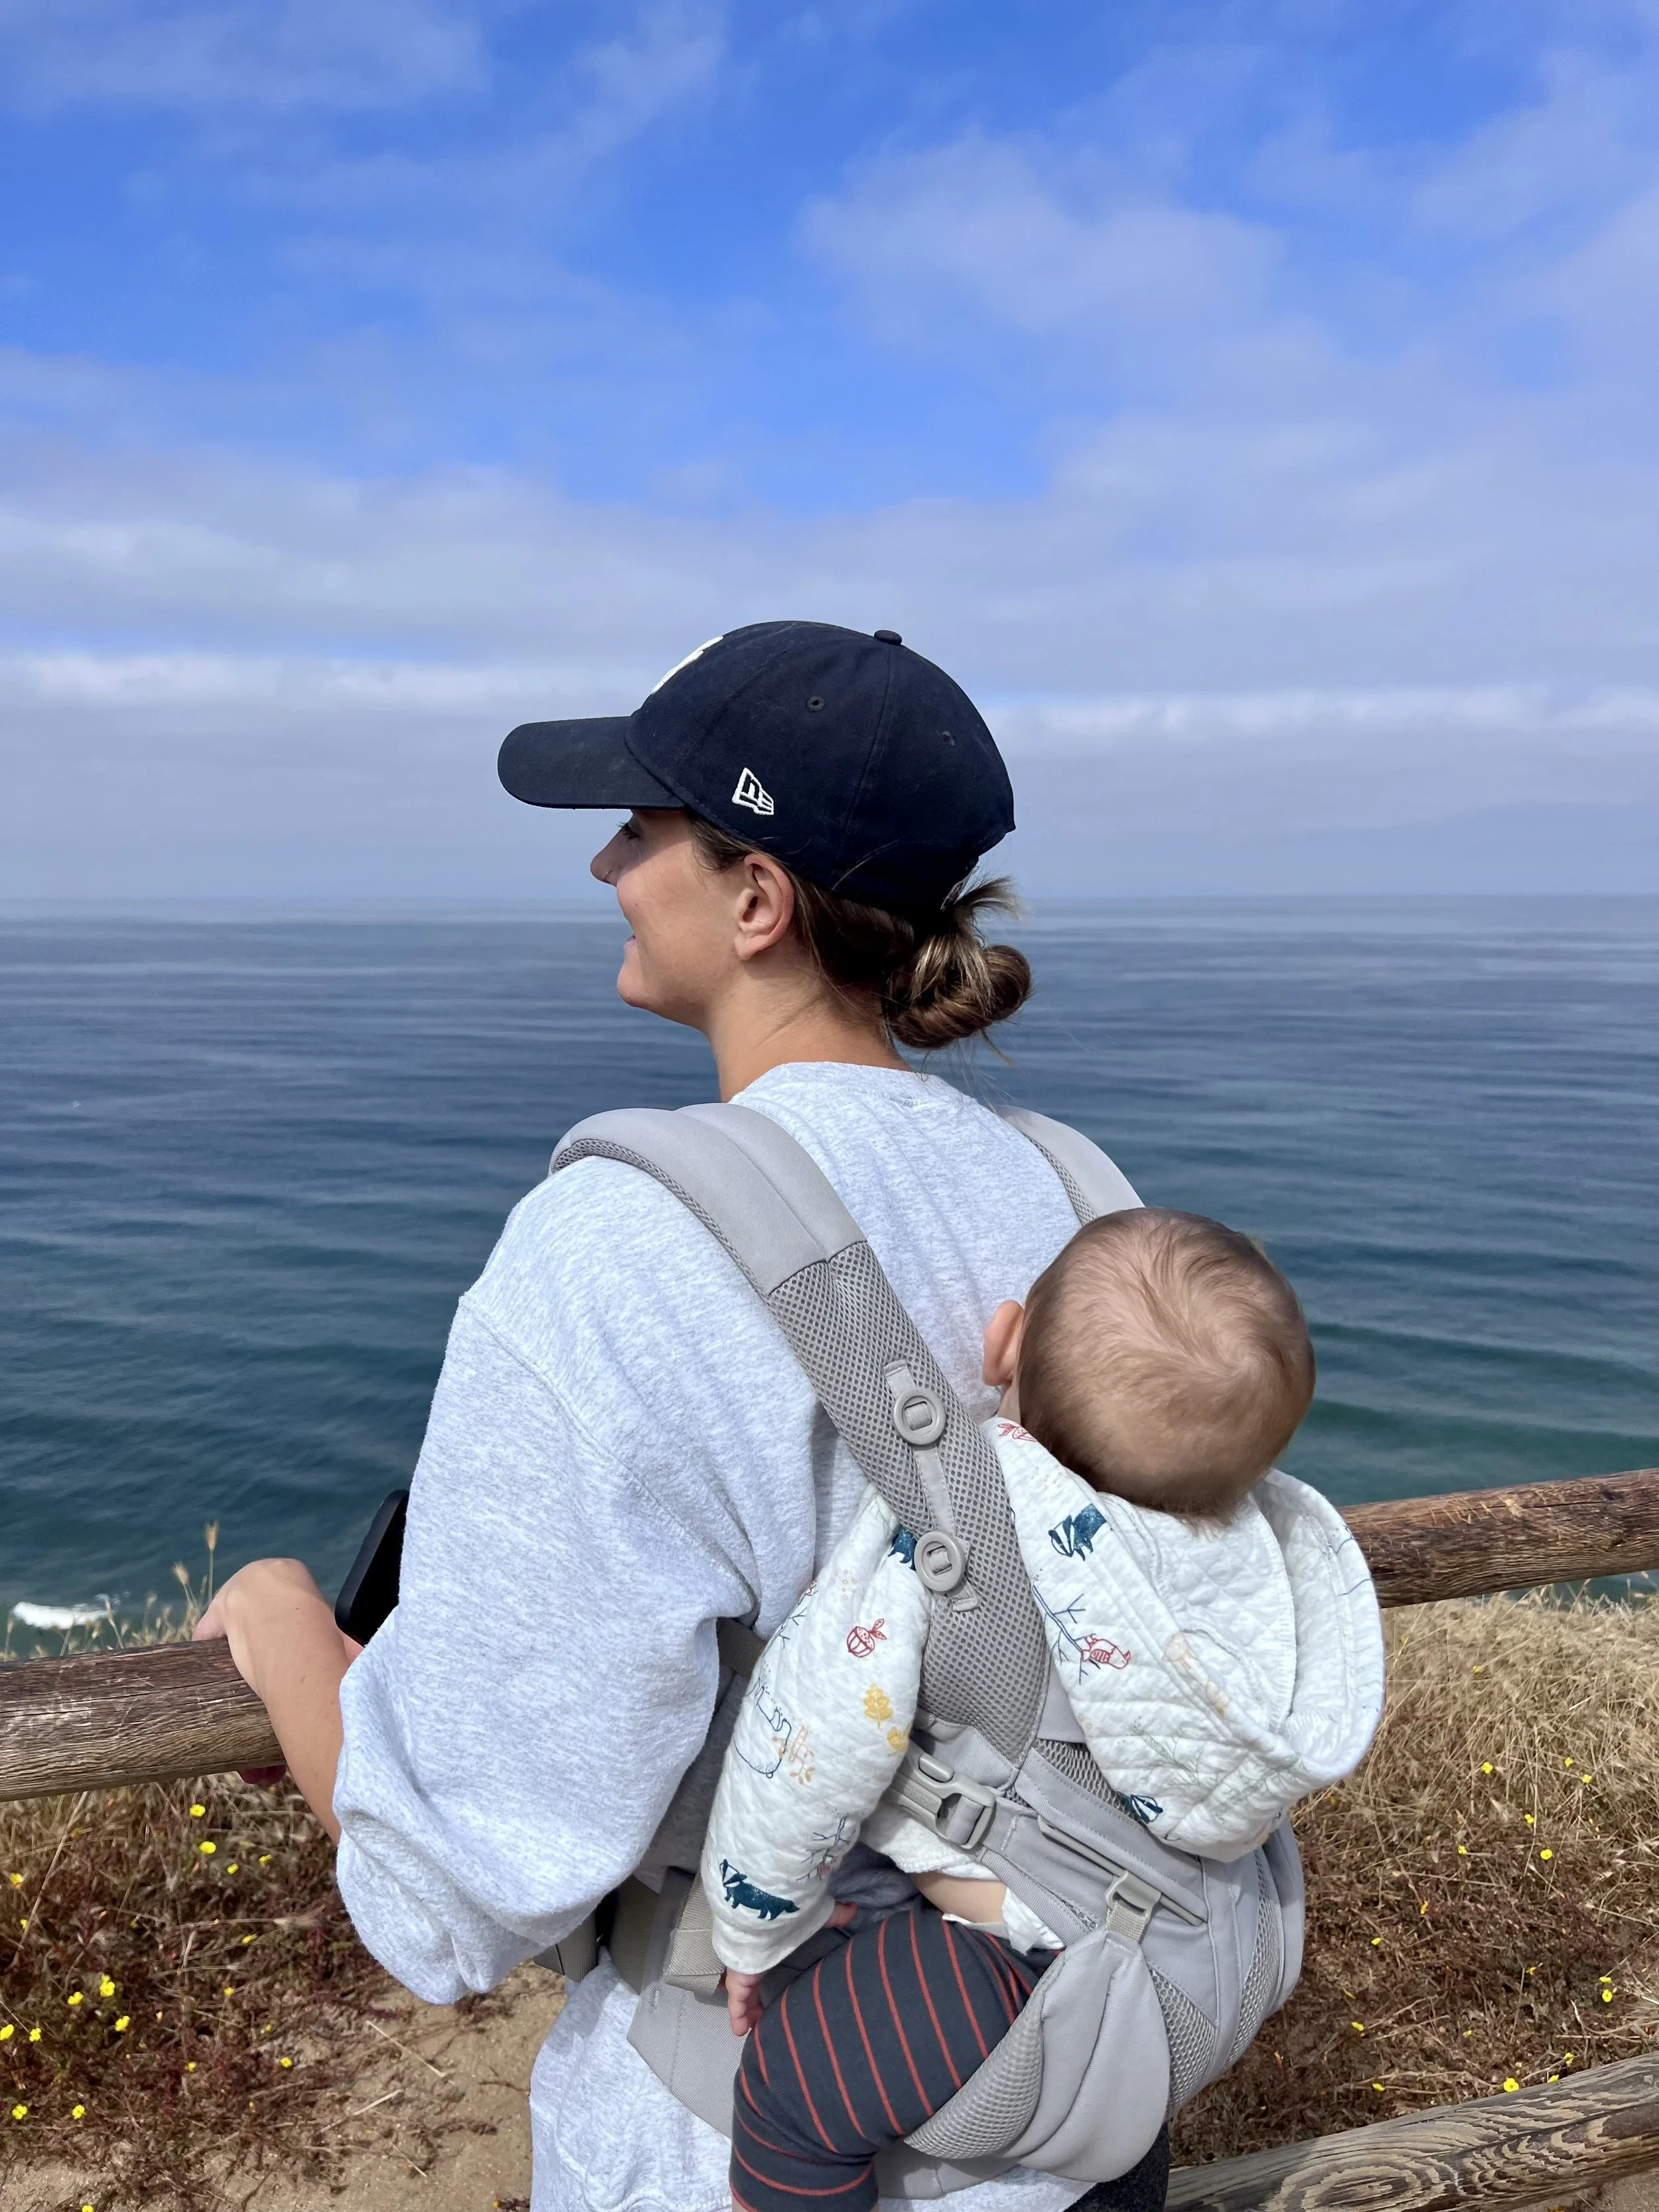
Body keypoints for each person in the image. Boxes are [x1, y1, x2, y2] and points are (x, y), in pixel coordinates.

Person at [192, 621, 1170, 2212]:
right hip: (1079, 2104)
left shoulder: (623, 1243)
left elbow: (458, 1892)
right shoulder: (1072, 1195)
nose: (601, 866)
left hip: (762, 2138)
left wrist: (289, 1637)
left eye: (639, 829)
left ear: (756, 901)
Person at [705, 1209, 1384, 2212]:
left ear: (1002, 1340)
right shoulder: (1256, 1553)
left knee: (788, 2094)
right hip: (1206, 1946)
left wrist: (751, 1928)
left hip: (1015, 1968)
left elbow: (809, 1741)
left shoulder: (957, 1530)